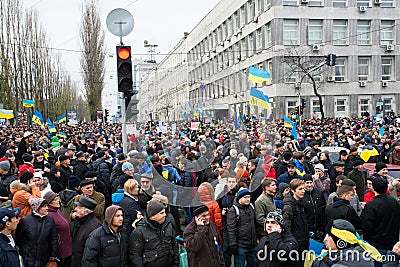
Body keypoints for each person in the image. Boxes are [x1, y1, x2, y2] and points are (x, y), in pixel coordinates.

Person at [361, 177, 400, 266]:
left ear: (373, 188)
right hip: (393, 244)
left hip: (377, 246)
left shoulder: (371, 205)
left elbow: (367, 226)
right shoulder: (394, 202)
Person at [129, 199, 179, 267]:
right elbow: (135, 256)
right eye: (161, 213)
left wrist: (175, 264)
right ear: (152, 216)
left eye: (164, 212)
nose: (165, 215)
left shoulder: (168, 225)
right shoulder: (139, 232)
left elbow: (174, 245)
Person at [16, 198, 59, 266]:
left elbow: (54, 238)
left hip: (44, 257)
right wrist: (24, 252)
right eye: (44, 206)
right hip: (28, 258)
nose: (47, 208)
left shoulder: (50, 220)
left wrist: (53, 255)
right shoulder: (25, 221)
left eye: (47, 206)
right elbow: (19, 238)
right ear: (37, 208)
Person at [227, 188, 258, 267]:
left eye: (249, 197)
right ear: (239, 198)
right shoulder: (233, 210)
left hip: (253, 244)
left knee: (253, 264)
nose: (248, 199)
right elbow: (231, 229)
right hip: (241, 246)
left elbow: (255, 223)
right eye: (245, 197)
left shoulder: (251, 206)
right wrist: (233, 244)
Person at [282, 178, 309, 266]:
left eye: (304, 189)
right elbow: (286, 228)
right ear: (293, 191)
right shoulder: (289, 206)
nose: (303, 191)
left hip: (303, 241)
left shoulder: (300, 203)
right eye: (300, 189)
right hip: (295, 244)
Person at [44, 191, 72, 267]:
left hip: (66, 249)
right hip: (60, 252)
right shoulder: (49, 215)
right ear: (49, 202)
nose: (58, 201)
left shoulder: (57, 210)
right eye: (55, 199)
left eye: (57, 198)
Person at [71, 196, 102, 266]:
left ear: (86, 212)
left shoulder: (94, 227)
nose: (75, 209)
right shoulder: (82, 221)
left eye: (79, 207)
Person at [217, 176, 239, 266]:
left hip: (238, 224)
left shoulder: (239, 193)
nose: (231, 184)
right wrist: (221, 211)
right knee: (226, 248)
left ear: (236, 183)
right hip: (226, 224)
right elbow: (217, 207)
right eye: (229, 181)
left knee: (238, 248)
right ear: (226, 183)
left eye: (233, 182)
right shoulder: (222, 194)